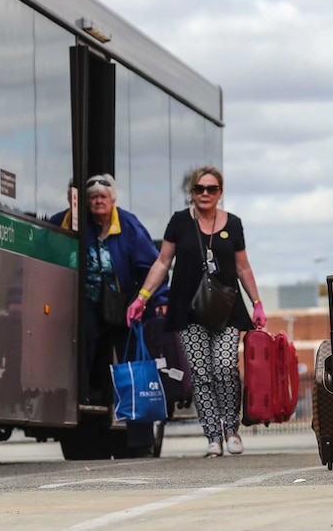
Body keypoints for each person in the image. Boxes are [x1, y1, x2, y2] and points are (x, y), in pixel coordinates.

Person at [127, 165, 267, 457]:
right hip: (188, 311)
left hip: (227, 308)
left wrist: (257, 303)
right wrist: (142, 297)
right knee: (202, 374)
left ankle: (231, 429)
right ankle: (212, 437)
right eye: (199, 189)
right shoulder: (179, 222)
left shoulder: (234, 224)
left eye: (211, 189)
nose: (205, 194)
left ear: (220, 193)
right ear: (191, 193)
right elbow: (163, 262)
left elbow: (243, 266)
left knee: (225, 366)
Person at [73, 174, 168, 457]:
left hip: (125, 306)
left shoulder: (127, 225)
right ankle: (87, 425)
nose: (98, 201)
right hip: (91, 305)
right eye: (92, 198)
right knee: (83, 356)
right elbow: (53, 223)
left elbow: (153, 265)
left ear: (113, 199)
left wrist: (155, 299)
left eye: (103, 196)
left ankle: (141, 442)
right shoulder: (82, 225)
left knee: (134, 370)